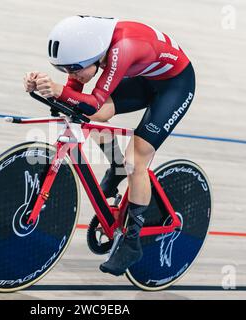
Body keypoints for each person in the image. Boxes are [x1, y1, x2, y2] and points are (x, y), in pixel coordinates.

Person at [23, 15, 195, 276]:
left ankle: (132, 241)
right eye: (64, 70)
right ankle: (115, 168)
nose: (72, 75)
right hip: (146, 77)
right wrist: (44, 87)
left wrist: (58, 90)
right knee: (92, 117)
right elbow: (80, 99)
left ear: (95, 54)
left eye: (75, 68)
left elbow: (91, 101)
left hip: (176, 86)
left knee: (135, 160)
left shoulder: (122, 48)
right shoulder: (94, 49)